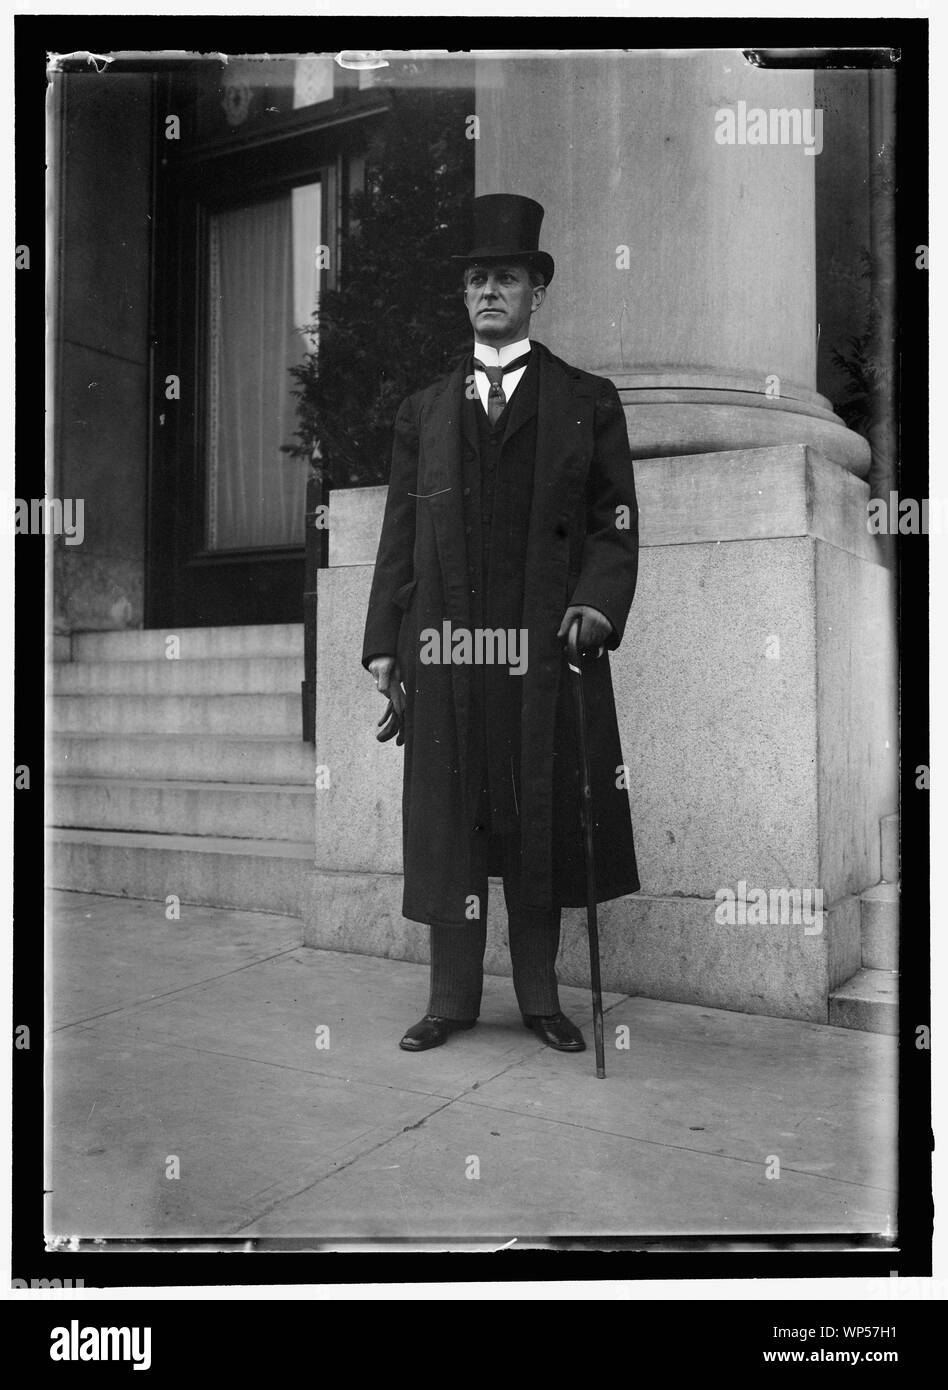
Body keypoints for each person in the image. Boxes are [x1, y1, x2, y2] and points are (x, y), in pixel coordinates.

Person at [362, 193, 640, 1054]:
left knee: (538, 818)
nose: (490, 291)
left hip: (542, 650)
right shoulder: (425, 411)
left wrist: (597, 601)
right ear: (465, 295)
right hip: (446, 649)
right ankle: (450, 1003)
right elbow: (400, 537)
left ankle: (539, 1001)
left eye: (508, 278)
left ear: (537, 291)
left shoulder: (587, 401)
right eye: (478, 278)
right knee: (453, 821)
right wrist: (383, 644)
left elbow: (613, 519)